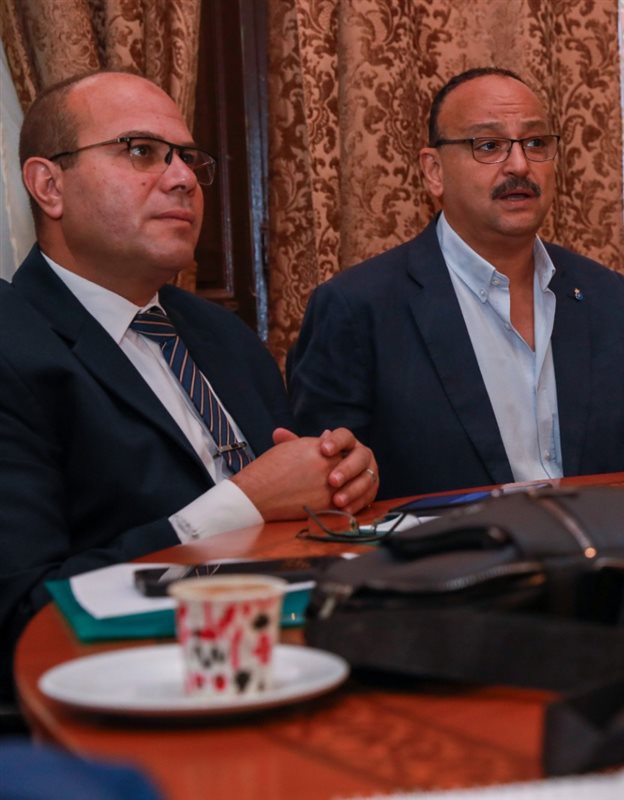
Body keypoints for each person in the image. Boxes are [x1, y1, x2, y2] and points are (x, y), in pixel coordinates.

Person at [287, 67, 624, 499]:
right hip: (450, 592)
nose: (519, 166)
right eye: (488, 146)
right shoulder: (358, 308)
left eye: (536, 143)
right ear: (434, 171)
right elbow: (327, 487)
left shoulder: (604, 297)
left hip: (600, 574)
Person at [0, 70, 380, 695]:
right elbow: (22, 611)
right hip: (129, 698)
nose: (182, 179)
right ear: (49, 185)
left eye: (187, 158)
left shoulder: (222, 334)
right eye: (140, 151)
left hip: (293, 659)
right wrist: (243, 503)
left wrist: (338, 479)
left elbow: (289, 506)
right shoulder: (13, 346)